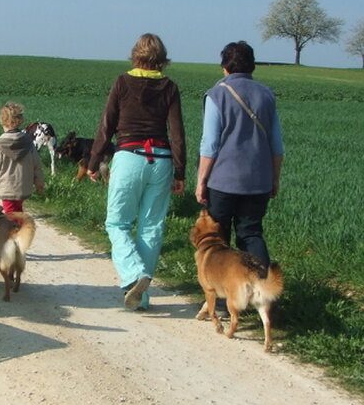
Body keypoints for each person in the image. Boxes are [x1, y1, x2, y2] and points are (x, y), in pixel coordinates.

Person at [88, 33, 186, 311]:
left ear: (135, 55)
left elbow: (107, 125)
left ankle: (133, 275)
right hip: (162, 159)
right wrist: (180, 171)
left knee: (117, 223)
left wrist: (94, 161)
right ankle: (140, 298)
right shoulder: (170, 87)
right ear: (162, 59)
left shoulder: (122, 82)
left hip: (129, 157)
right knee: (151, 227)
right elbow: (177, 134)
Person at [195, 40, 284, 272]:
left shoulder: (217, 95)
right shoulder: (267, 95)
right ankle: (263, 293)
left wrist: (201, 180)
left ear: (225, 66)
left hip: (223, 180)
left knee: (218, 237)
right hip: (258, 180)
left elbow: (210, 143)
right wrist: (274, 178)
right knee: (251, 233)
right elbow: (276, 144)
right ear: (252, 66)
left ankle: (224, 301)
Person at [0, 101, 44, 213]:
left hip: (7, 187)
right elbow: (37, 165)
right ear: (20, 120)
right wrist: (39, 182)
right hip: (23, 186)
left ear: (2, 121)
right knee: (17, 211)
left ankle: (17, 230)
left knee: (11, 215)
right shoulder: (28, 142)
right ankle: (21, 228)